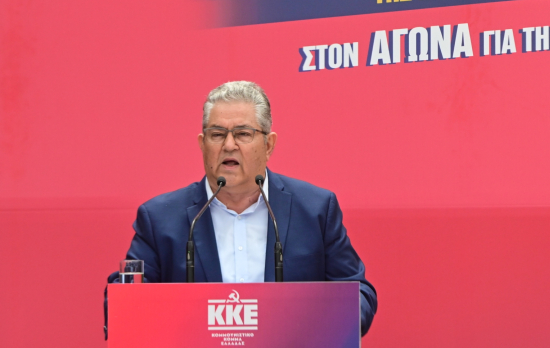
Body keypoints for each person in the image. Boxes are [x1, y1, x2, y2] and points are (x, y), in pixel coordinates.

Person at [105, 81, 376, 337]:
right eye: (217, 134)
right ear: (202, 144)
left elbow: (358, 293)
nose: (229, 145)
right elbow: (123, 301)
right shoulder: (160, 218)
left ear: (268, 145)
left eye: (243, 134)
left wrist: (312, 325)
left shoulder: (315, 209)